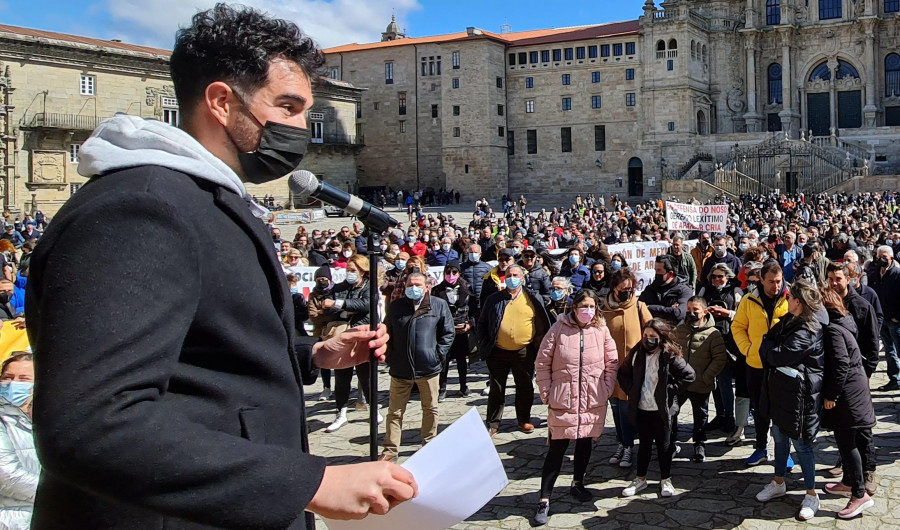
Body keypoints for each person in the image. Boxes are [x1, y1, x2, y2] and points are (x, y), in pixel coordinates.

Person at [25, 6, 416, 527]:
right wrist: (309, 482)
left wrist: (310, 355)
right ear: (221, 100)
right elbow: (93, 423)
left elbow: (202, 351)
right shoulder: (142, 209)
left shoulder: (198, 200)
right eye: (288, 106)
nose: (302, 127)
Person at [532, 290, 618, 526]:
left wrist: (606, 387)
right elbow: (542, 361)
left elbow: (612, 362)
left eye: (592, 306)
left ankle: (577, 483)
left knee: (584, 443)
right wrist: (547, 391)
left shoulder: (601, 330)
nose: (587, 310)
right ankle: (544, 499)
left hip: (592, 399)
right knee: (557, 449)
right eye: (584, 305)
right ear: (574, 306)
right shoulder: (558, 329)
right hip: (563, 399)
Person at [756, 280, 825, 521]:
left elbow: (778, 355)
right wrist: (768, 346)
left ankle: (811, 494)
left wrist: (767, 349)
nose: (786, 300)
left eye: (790, 297)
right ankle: (778, 481)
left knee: (802, 444)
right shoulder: (788, 321)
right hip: (781, 392)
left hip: (800, 398)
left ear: (798, 301)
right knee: (779, 436)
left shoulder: (808, 329)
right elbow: (767, 338)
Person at [380, 273, 455, 462]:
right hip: (400, 369)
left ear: (426, 287)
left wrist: (437, 355)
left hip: (428, 368)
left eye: (418, 284)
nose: (414, 287)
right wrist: (391, 357)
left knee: (430, 408)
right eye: (410, 284)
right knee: (395, 412)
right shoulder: (397, 306)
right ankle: (390, 450)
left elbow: (448, 332)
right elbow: (386, 333)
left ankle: (429, 443)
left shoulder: (437, 305)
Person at [618, 319, 695, 498]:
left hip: (662, 409)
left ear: (660, 337)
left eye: (653, 336)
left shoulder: (669, 355)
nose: (648, 339)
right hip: (642, 408)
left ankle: (665, 479)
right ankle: (640, 479)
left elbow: (689, 375)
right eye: (645, 336)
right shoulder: (636, 353)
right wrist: (632, 390)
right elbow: (623, 374)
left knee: (664, 446)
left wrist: (669, 390)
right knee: (644, 445)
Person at [819, 288, 877, 518]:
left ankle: (859, 494)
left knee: (847, 442)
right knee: (849, 440)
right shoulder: (844, 320)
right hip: (855, 390)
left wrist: (831, 395)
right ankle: (848, 482)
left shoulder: (833, 330)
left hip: (848, 395)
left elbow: (841, 364)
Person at [478, 265, 551, 436]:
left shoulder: (533, 298)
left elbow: (543, 323)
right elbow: (482, 323)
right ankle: (493, 423)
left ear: (523, 278)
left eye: (516, 275)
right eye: (509, 275)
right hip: (497, 351)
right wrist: (484, 343)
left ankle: (524, 419)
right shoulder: (494, 299)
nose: (512, 278)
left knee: (525, 386)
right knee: (496, 388)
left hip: (524, 351)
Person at [733, 261, 789, 467]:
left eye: (778, 281)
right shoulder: (749, 300)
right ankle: (761, 447)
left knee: (782, 410)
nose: (776, 286)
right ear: (762, 280)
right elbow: (738, 327)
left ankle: (784, 452)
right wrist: (748, 349)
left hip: (781, 365)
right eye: (771, 282)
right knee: (759, 409)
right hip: (755, 364)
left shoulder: (790, 298)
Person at [601, 267, 653, 469]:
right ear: (614, 288)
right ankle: (621, 443)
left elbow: (652, 332)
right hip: (608, 368)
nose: (628, 292)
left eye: (631, 289)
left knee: (626, 409)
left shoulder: (639, 307)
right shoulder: (603, 309)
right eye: (623, 289)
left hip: (631, 369)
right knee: (614, 408)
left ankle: (629, 445)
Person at [323, 255, 380, 432]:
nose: (349, 273)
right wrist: (344, 310)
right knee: (341, 377)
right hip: (342, 337)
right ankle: (341, 413)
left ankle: (373, 409)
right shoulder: (339, 288)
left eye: (353, 270)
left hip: (362, 337)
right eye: (348, 270)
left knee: (366, 376)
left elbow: (365, 306)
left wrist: (340, 305)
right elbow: (327, 307)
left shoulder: (369, 288)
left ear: (363, 271)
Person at [674, 297, 727, 463]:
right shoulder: (679, 329)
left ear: (704, 312)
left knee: (700, 415)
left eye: (695, 310)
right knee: (672, 412)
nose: (691, 313)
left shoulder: (713, 333)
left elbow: (719, 359)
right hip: (680, 383)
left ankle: (699, 443)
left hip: (701, 383)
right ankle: (670, 443)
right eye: (689, 309)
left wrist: (706, 377)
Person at [697, 263, 745, 441]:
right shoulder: (704, 291)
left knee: (724, 380)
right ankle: (719, 414)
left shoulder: (736, 292)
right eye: (714, 276)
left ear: (728, 277)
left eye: (721, 276)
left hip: (728, 340)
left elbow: (740, 315)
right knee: (713, 381)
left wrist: (726, 313)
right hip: (708, 339)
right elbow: (697, 309)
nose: (717, 280)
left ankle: (729, 417)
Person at [0, 353, 38, 530]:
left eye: (24, 379)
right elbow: (6, 477)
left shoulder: (43, 420)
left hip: (41, 517)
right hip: (9, 521)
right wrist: (62, 493)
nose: (13, 384)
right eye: (7, 377)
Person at [432, 260, 474, 400]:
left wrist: (469, 323)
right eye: (448, 272)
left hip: (462, 330)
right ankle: (442, 388)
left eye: (454, 272)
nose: (451, 275)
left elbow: (474, 308)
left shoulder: (467, 288)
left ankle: (463, 386)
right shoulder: (437, 290)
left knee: (462, 360)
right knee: (444, 359)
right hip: (444, 331)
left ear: (459, 273)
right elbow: (433, 311)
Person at [867, 245, 900, 391]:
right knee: (889, 351)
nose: (882, 260)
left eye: (884, 257)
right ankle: (894, 379)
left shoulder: (897, 274)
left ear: (891, 258)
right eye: (879, 257)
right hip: (881, 319)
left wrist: (897, 317)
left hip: (895, 320)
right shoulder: (874, 274)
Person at [639, 255, 692, 326]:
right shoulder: (650, 289)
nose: (656, 273)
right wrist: (669, 310)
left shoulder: (684, 291)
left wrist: (649, 307)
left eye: (659, 270)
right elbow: (638, 308)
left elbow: (679, 314)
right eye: (655, 270)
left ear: (670, 274)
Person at [461, 244, 492, 321]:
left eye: (475, 252)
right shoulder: (462, 267)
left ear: (480, 254)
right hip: (467, 301)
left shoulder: (487, 268)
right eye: (471, 252)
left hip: (482, 300)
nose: (473, 254)